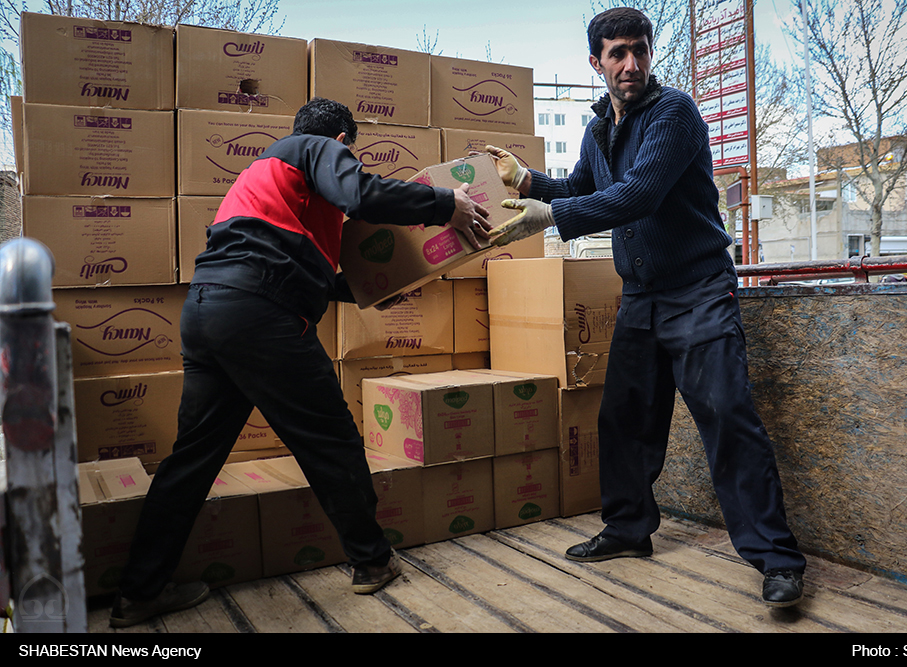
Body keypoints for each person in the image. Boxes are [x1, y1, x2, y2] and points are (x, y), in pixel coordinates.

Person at [109, 97, 492, 628]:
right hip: (261, 316)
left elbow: (287, 262)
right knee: (330, 439)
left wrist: (365, 289)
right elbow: (359, 195)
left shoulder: (265, 177)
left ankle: (139, 592)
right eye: (350, 154)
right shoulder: (316, 148)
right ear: (341, 142)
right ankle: (373, 560)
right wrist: (443, 204)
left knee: (192, 459)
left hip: (207, 311)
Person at [487, 7, 807, 607]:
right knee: (624, 419)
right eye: (616, 53)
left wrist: (550, 218)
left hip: (699, 291)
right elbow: (586, 186)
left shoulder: (673, 114)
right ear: (596, 63)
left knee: (727, 417)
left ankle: (777, 559)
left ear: (649, 53)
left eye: (638, 50)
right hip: (640, 295)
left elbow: (638, 194)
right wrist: (530, 183)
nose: (630, 63)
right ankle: (629, 531)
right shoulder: (598, 127)